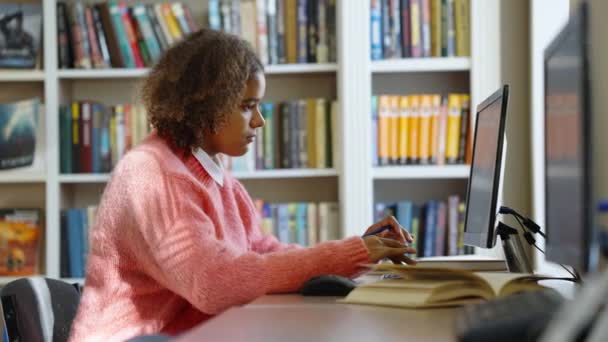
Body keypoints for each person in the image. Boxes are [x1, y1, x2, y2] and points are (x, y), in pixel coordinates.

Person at [68, 28, 415, 342]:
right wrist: (348, 254)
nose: (259, 121)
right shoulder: (151, 173)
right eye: (247, 106)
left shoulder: (213, 174)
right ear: (205, 105)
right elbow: (214, 283)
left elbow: (260, 251)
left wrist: (359, 250)